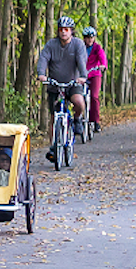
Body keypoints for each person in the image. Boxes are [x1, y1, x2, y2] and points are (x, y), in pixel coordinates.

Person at [36, 15, 89, 161]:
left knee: (79, 102)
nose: (63, 32)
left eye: (66, 29)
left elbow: (81, 61)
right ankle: (54, 145)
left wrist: (83, 76)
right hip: (55, 84)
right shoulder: (51, 45)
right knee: (54, 116)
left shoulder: (78, 44)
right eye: (61, 29)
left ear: (71, 31)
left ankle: (77, 119)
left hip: (73, 83)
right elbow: (43, 59)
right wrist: (41, 74)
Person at [81, 26, 107, 134]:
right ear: (84, 38)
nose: (90, 39)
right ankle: (79, 120)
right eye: (87, 37)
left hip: (94, 73)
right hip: (82, 75)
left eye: (92, 37)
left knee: (94, 97)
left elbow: (103, 58)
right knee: (78, 96)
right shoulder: (80, 47)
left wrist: (103, 65)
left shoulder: (97, 48)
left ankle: (95, 121)